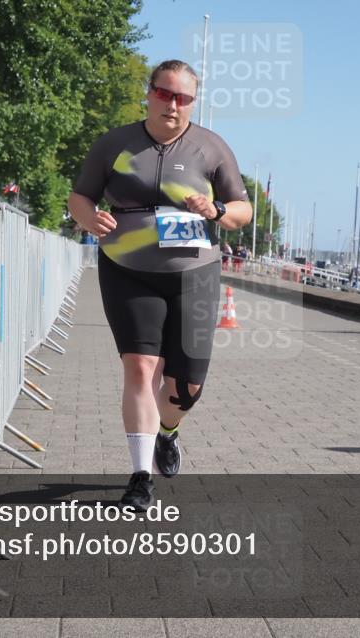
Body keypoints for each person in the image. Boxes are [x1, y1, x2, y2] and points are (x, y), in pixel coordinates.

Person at [67, 59, 252, 510]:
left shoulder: (211, 147)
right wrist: (89, 218)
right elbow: (79, 196)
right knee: (140, 367)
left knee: (186, 387)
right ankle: (139, 478)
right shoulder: (115, 143)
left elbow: (243, 211)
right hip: (126, 267)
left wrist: (215, 210)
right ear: (149, 93)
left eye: (183, 98)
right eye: (164, 93)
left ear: (193, 103)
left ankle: (168, 431)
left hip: (194, 274)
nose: (172, 104)